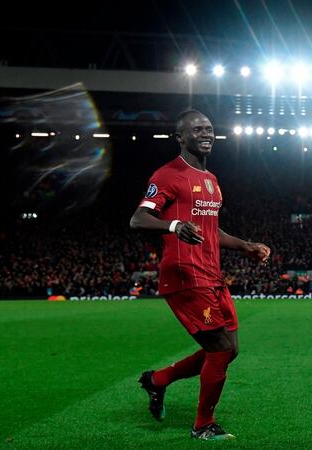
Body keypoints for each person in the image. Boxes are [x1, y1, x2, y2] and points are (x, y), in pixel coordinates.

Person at [129, 110, 271, 440]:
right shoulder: (168, 175)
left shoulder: (212, 180)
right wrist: (174, 226)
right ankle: (203, 425)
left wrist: (245, 246)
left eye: (209, 128)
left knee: (229, 350)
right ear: (180, 137)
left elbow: (209, 230)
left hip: (212, 275)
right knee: (219, 348)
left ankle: (157, 380)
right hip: (184, 275)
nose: (205, 133)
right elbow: (138, 219)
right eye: (196, 130)